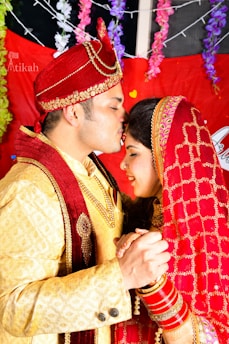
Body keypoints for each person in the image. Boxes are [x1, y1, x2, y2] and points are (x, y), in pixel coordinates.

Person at [0, 20, 170, 344]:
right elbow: (10, 308)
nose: (124, 116)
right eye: (113, 106)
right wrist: (119, 276)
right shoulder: (29, 192)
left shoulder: (93, 174)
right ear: (74, 113)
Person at [117, 96, 229, 344]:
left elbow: (214, 337)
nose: (123, 164)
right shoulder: (137, 217)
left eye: (133, 153)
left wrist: (154, 283)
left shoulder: (214, 236)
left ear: (163, 156)